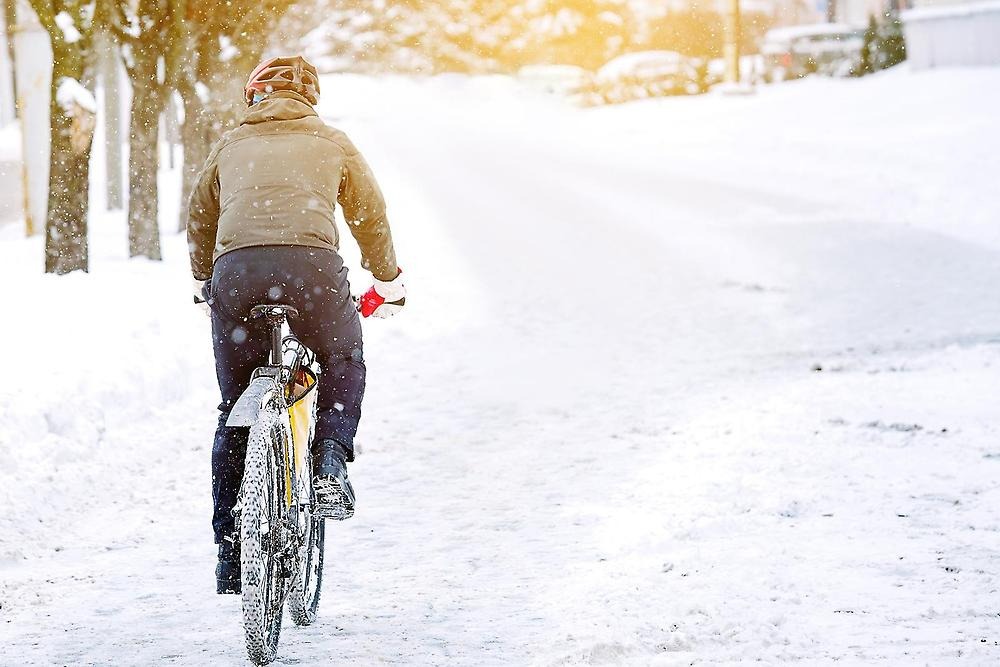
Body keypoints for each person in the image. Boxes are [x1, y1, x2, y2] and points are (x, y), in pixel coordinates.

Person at [186, 55, 405, 594]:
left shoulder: (230, 143)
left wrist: (201, 279)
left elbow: (200, 215)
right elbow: (368, 215)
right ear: (311, 99)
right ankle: (330, 458)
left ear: (254, 96)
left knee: (235, 408)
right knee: (339, 359)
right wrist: (388, 280)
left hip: (236, 276)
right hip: (312, 271)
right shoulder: (331, 140)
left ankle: (231, 552)